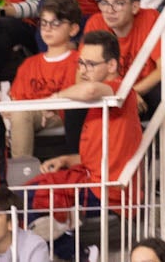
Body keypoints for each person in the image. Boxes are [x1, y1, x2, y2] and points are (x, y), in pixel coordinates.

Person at [39, 30, 142, 204]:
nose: (83, 71)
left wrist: (54, 99)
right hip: (93, 183)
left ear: (111, 66)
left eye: (91, 64)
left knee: (31, 200)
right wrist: (66, 159)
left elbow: (90, 90)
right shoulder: (99, 100)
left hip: (110, 193)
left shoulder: (120, 89)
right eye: (81, 63)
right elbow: (101, 158)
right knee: (31, 193)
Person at [5, 0, 80, 161]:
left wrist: (52, 108)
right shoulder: (29, 64)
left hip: (63, 115)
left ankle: (20, 173)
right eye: (43, 23)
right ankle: (17, 171)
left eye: (56, 23)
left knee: (21, 113)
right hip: (32, 114)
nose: (47, 28)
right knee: (15, 112)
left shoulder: (79, 61)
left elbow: (79, 95)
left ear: (73, 29)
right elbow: (18, 99)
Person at [81, 0, 160, 114]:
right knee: (78, 106)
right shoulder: (95, 23)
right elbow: (82, 73)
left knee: (163, 92)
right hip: (108, 93)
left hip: (142, 92)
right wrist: (119, 94)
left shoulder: (149, 18)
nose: (110, 11)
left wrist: (130, 94)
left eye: (118, 3)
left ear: (134, 7)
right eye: (105, 3)